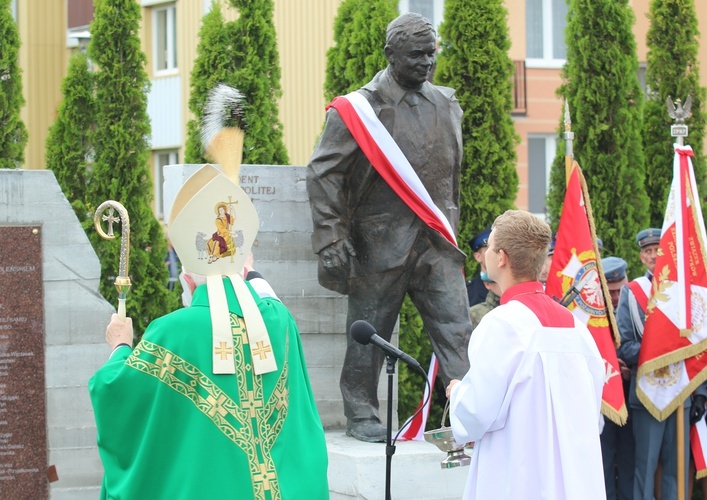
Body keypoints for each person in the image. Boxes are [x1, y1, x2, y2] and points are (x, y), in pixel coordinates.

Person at [89, 165, 329, 498]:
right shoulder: (279, 322)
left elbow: (117, 395)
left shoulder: (172, 333)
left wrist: (120, 347)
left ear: (187, 281)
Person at [307, 12, 471, 442]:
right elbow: (325, 173)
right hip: (379, 242)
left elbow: (451, 174)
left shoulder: (447, 103)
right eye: (416, 54)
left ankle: (474, 410)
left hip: (436, 244)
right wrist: (330, 235)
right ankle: (360, 411)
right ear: (390, 54)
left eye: (431, 54)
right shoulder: (358, 109)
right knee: (369, 327)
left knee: (458, 330)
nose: (426, 63)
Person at [446, 210, 606, 499]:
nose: (485, 255)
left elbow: (476, 413)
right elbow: (593, 415)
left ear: (502, 257)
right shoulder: (577, 329)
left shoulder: (501, 325)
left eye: (490, 247)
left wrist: (458, 392)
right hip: (572, 479)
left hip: (519, 478)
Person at [617, 228, 707, 500]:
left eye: (659, 249)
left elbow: (699, 344)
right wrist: (659, 351)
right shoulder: (631, 293)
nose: (654, 255)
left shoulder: (686, 293)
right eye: (648, 251)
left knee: (676, 469)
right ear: (641, 256)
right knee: (644, 467)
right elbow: (626, 345)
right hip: (647, 392)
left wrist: (699, 393)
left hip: (682, 392)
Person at [600, 256, 635, 500]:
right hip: (602, 398)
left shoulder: (636, 306)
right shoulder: (594, 314)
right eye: (609, 291)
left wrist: (631, 366)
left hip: (631, 394)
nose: (614, 297)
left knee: (629, 458)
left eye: (618, 290)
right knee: (603, 459)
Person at [465, 227, 491, 306]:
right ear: (478, 257)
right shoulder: (467, 293)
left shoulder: (513, 285)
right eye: (490, 250)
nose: (497, 254)